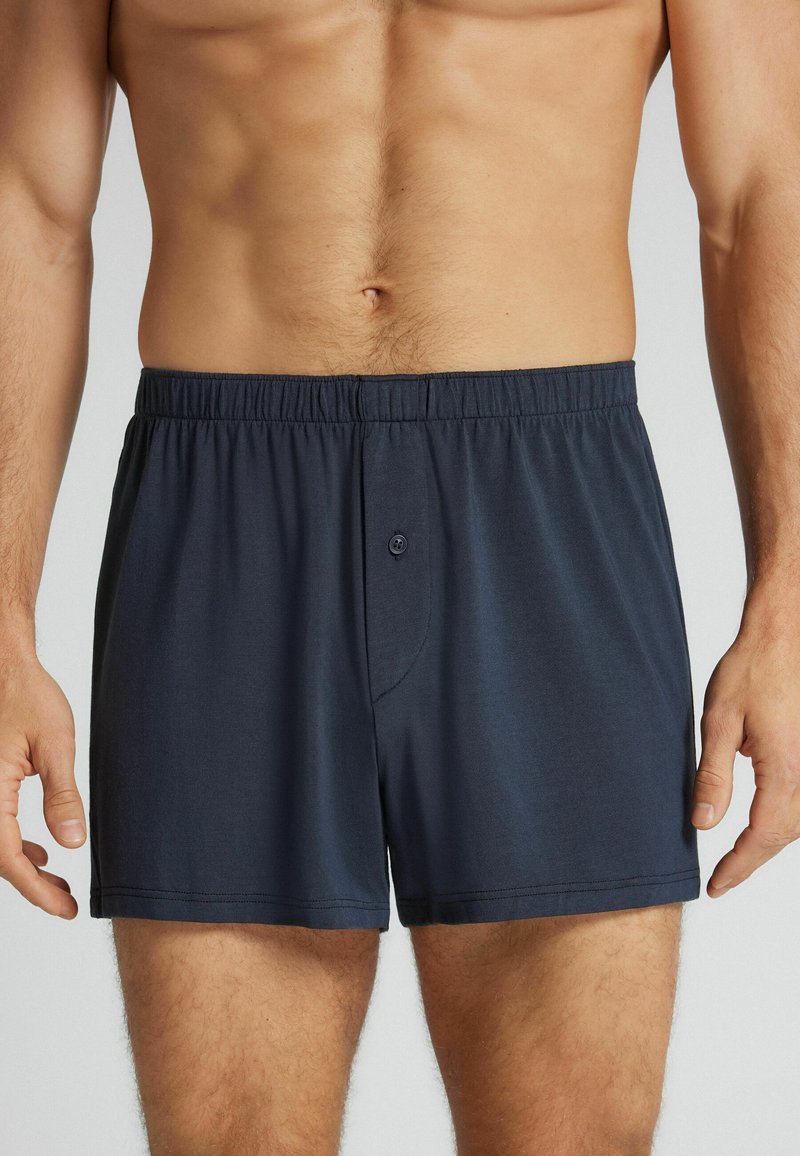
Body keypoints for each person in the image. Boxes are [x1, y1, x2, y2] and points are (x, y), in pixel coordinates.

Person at [1, 1, 799, 1153]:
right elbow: (29, 207)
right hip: (225, 514)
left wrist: (786, 595)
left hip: (544, 504)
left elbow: (762, 191)